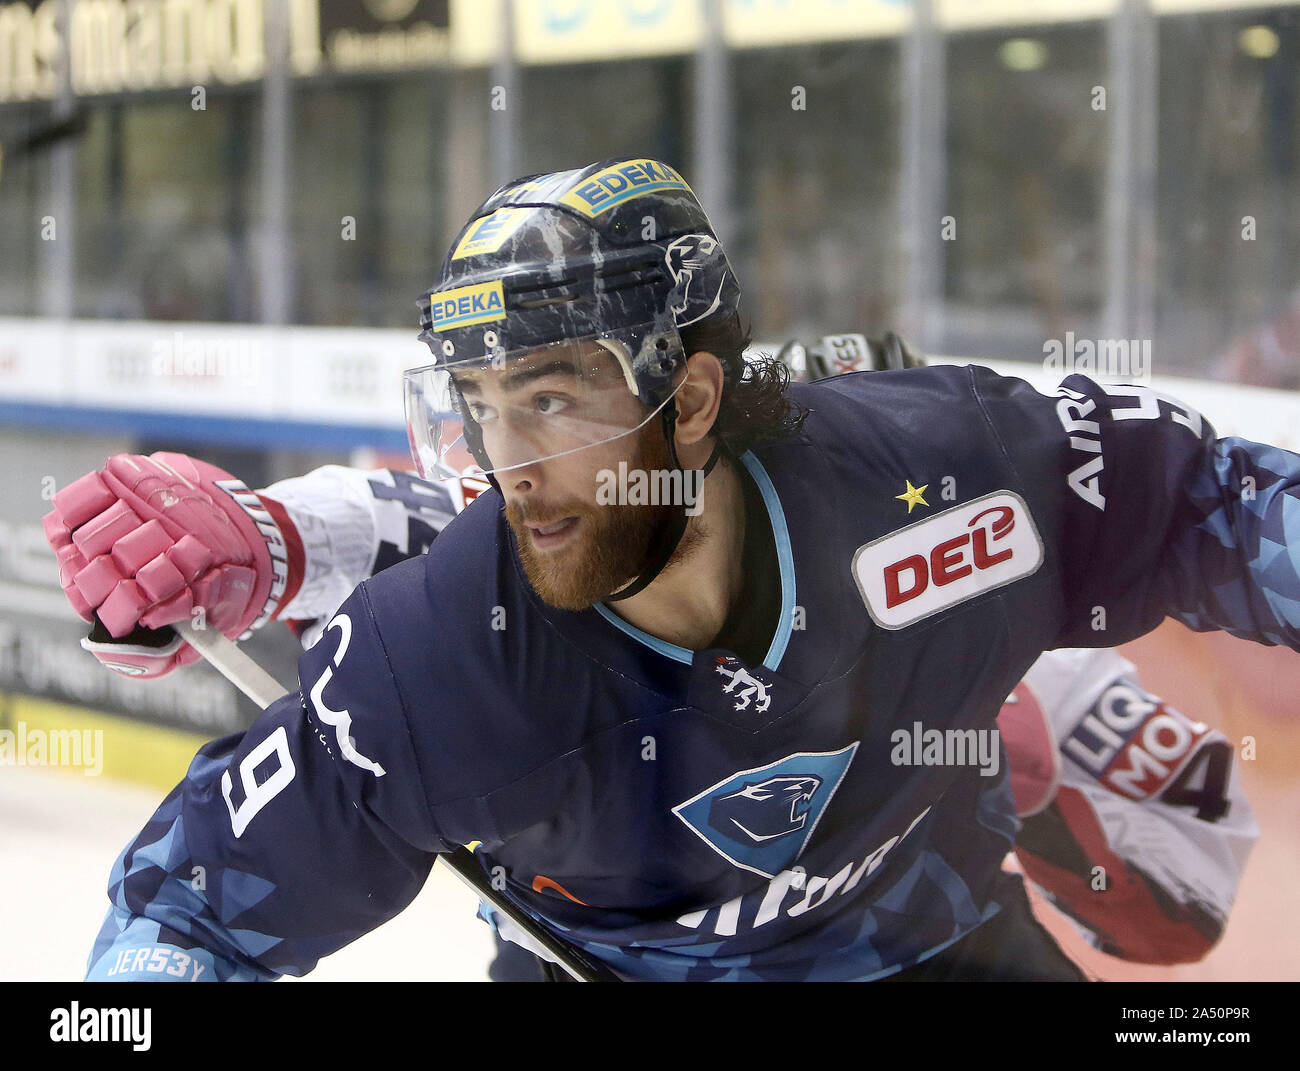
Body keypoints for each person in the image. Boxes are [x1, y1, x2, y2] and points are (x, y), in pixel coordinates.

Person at [46, 157, 1294, 981]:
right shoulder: (430, 663)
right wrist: (279, 539)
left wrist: (1060, 800)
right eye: (480, 402)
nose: (507, 460)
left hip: (938, 949)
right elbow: (186, 919)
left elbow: (1212, 515)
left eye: (548, 394)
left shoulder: (959, 485)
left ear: (696, 396)